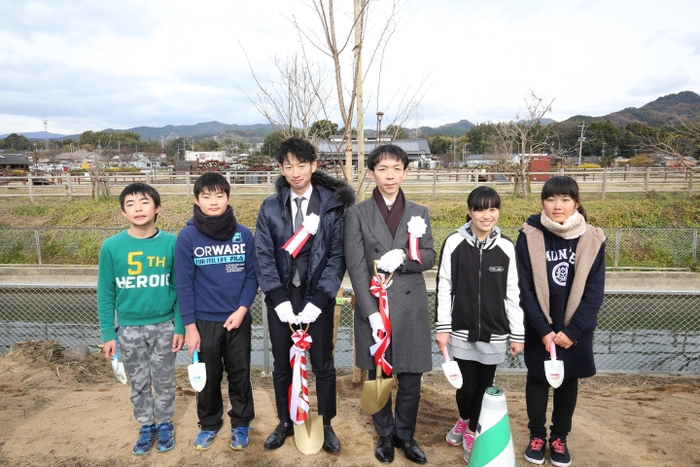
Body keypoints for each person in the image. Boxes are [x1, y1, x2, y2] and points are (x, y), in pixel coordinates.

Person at [254, 137, 354, 454]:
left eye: (301, 165)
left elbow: (337, 256)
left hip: (317, 298)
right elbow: (263, 256)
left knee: (323, 363)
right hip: (282, 298)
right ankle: (285, 421)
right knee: (283, 363)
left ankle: (325, 422)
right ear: (281, 169)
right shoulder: (270, 207)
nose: (295, 172)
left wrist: (321, 299)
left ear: (314, 165)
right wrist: (277, 298)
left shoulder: (331, 205)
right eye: (288, 166)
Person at [345, 144, 436, 465]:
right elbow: (356, 266)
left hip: (411, 309)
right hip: (374, 308)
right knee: (378, 376)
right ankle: (384, 434)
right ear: (371, 173)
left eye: (396, 168)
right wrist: (370, 314)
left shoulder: (419, 212)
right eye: (382, 169)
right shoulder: (357, 213)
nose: (389, 175)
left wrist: (404, 258)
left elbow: (428, 256)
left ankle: (405, 435)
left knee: (411, 377)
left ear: (406, 172)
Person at [516, 176, 606, 467]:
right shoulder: (529, 235)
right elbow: (524, 288)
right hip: (539, 326)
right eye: (551, 199)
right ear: (542, 202)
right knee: (538, 380)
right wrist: (542, 329)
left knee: (568, 383)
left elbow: (594, 293)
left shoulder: (593, 238)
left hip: (574, 330)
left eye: (565, 199)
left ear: (576, 203)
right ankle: (537, 436)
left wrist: (572, 330)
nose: (558, 206)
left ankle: (559, 438)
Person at [435, 186, 524, 463]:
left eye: (493, 209)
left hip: (495, 332)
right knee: (466, 387)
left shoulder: (507, 247)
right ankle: (464, 418)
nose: (487, 215)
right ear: (469, 211)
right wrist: (443, 328)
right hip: (460, 330)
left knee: (485, 387)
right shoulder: (453, 243)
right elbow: (444, 287)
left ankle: (472, 430)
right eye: (480, 209)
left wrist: (517, 334)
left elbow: (513, 293)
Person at [97, 182, 184, 455]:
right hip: (128, 328)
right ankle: (147, 426)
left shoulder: (173, 243)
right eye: (130, 204)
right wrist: (108, 334)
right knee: (138, 381)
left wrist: (180, 326)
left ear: (157, 207)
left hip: (164, 325)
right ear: (123, 212)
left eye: (144, 202)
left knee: (164, 379)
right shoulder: (111, 247)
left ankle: (166, 423)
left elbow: (182, 289)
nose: (138, 208)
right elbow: (105, 293)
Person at [175, 172, 258, 452]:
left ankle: (242, 423)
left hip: (237, 319)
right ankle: (209, 424)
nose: (214, 201)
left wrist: (242, 309)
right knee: (207, 376)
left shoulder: (243, 234)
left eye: (219, 195)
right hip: (203, 321)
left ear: (228, 198)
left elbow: (251, 277)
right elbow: (183, 284)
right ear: (197, 201)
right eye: (207, 196)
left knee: (240, 373)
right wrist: (190, 327)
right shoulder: (187, 237)